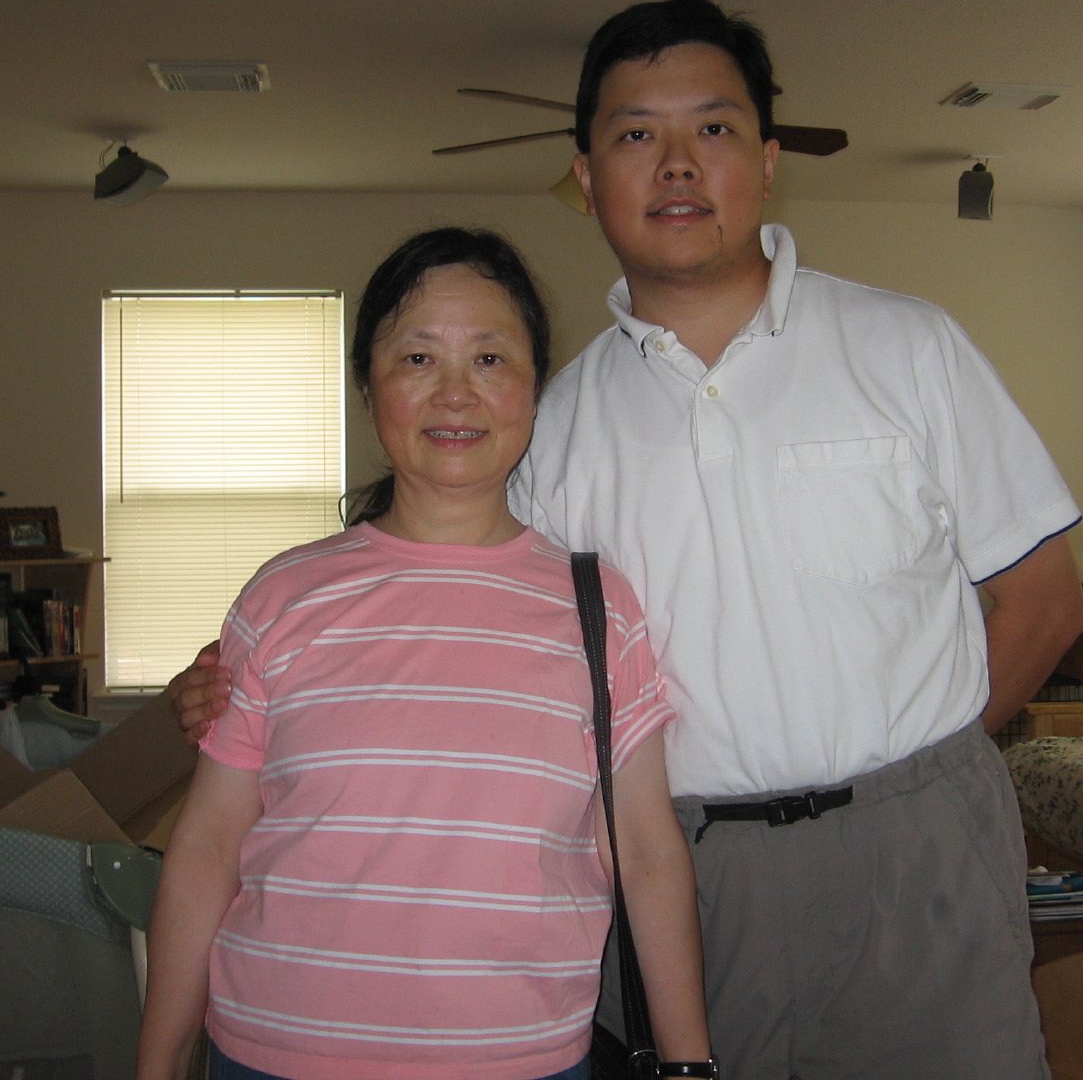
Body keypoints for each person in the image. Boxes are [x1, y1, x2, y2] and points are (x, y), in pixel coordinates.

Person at [173, 0, 1083, 1079]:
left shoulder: (909, 347)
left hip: (919, 863)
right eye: (636, 134)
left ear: (768, 159)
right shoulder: (550, 426)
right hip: (678, 875)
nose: (677, 165)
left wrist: (917, 791)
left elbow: (1046, 602)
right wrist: (236, 685)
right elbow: (448, 616)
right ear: (586, 176)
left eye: (714, 127)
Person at [137, 228, 713, 1080]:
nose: (455, 393)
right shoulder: (282, 597)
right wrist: (157, 1063)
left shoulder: (600, 610)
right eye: (416, 358)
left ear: (534, 389)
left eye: (490, 358)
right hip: (273, 1050)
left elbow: (647, 852)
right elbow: (208, 847)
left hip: (519, 1057)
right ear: (367, 388)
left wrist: (690, 1063)